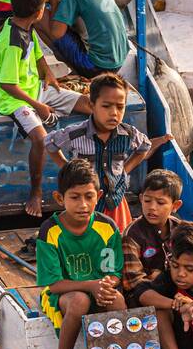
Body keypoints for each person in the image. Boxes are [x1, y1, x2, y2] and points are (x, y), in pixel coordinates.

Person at [0, 0, 91, 217]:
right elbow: (7, 84)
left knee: (87, 104)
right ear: (39, 12)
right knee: (41, 138)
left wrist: (49, 74)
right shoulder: (12, 42)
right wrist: (39, 107)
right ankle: (37, 190)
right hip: (13, 98)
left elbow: (37, 55)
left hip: (35, 88)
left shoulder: (25, 27)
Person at [36, 158, 126, 349]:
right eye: (74, 197)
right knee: (79, 301)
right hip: (63, 294)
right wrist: (91, 285)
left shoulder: (107, 227)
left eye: (89, 196)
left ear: (98, 195)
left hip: (96, 288)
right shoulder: (50, 230)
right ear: (59, 198)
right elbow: (53, 284)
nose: (83, 204)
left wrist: (106, 285)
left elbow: (112, 272)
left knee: (116, 300)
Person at [45, 72, 171, 232]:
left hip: (115, 202)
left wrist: (125, 170)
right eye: (106, 106)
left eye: (120, 107)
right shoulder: (76, 134)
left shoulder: (129, 134)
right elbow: (50, 143)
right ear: (92, 106)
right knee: (88, 239)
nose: (114, 113)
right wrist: (67, 168)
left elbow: (144, 147)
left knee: (116, 240)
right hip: (86, 203)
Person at [121, 169, 184, 292]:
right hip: (145, 293)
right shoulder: (132, 235)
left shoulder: (180, 229)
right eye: (147, 200)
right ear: (140, 199)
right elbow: (134, 282)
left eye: (160, 203)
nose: (152, 208)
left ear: (175, 206)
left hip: (179, 287)